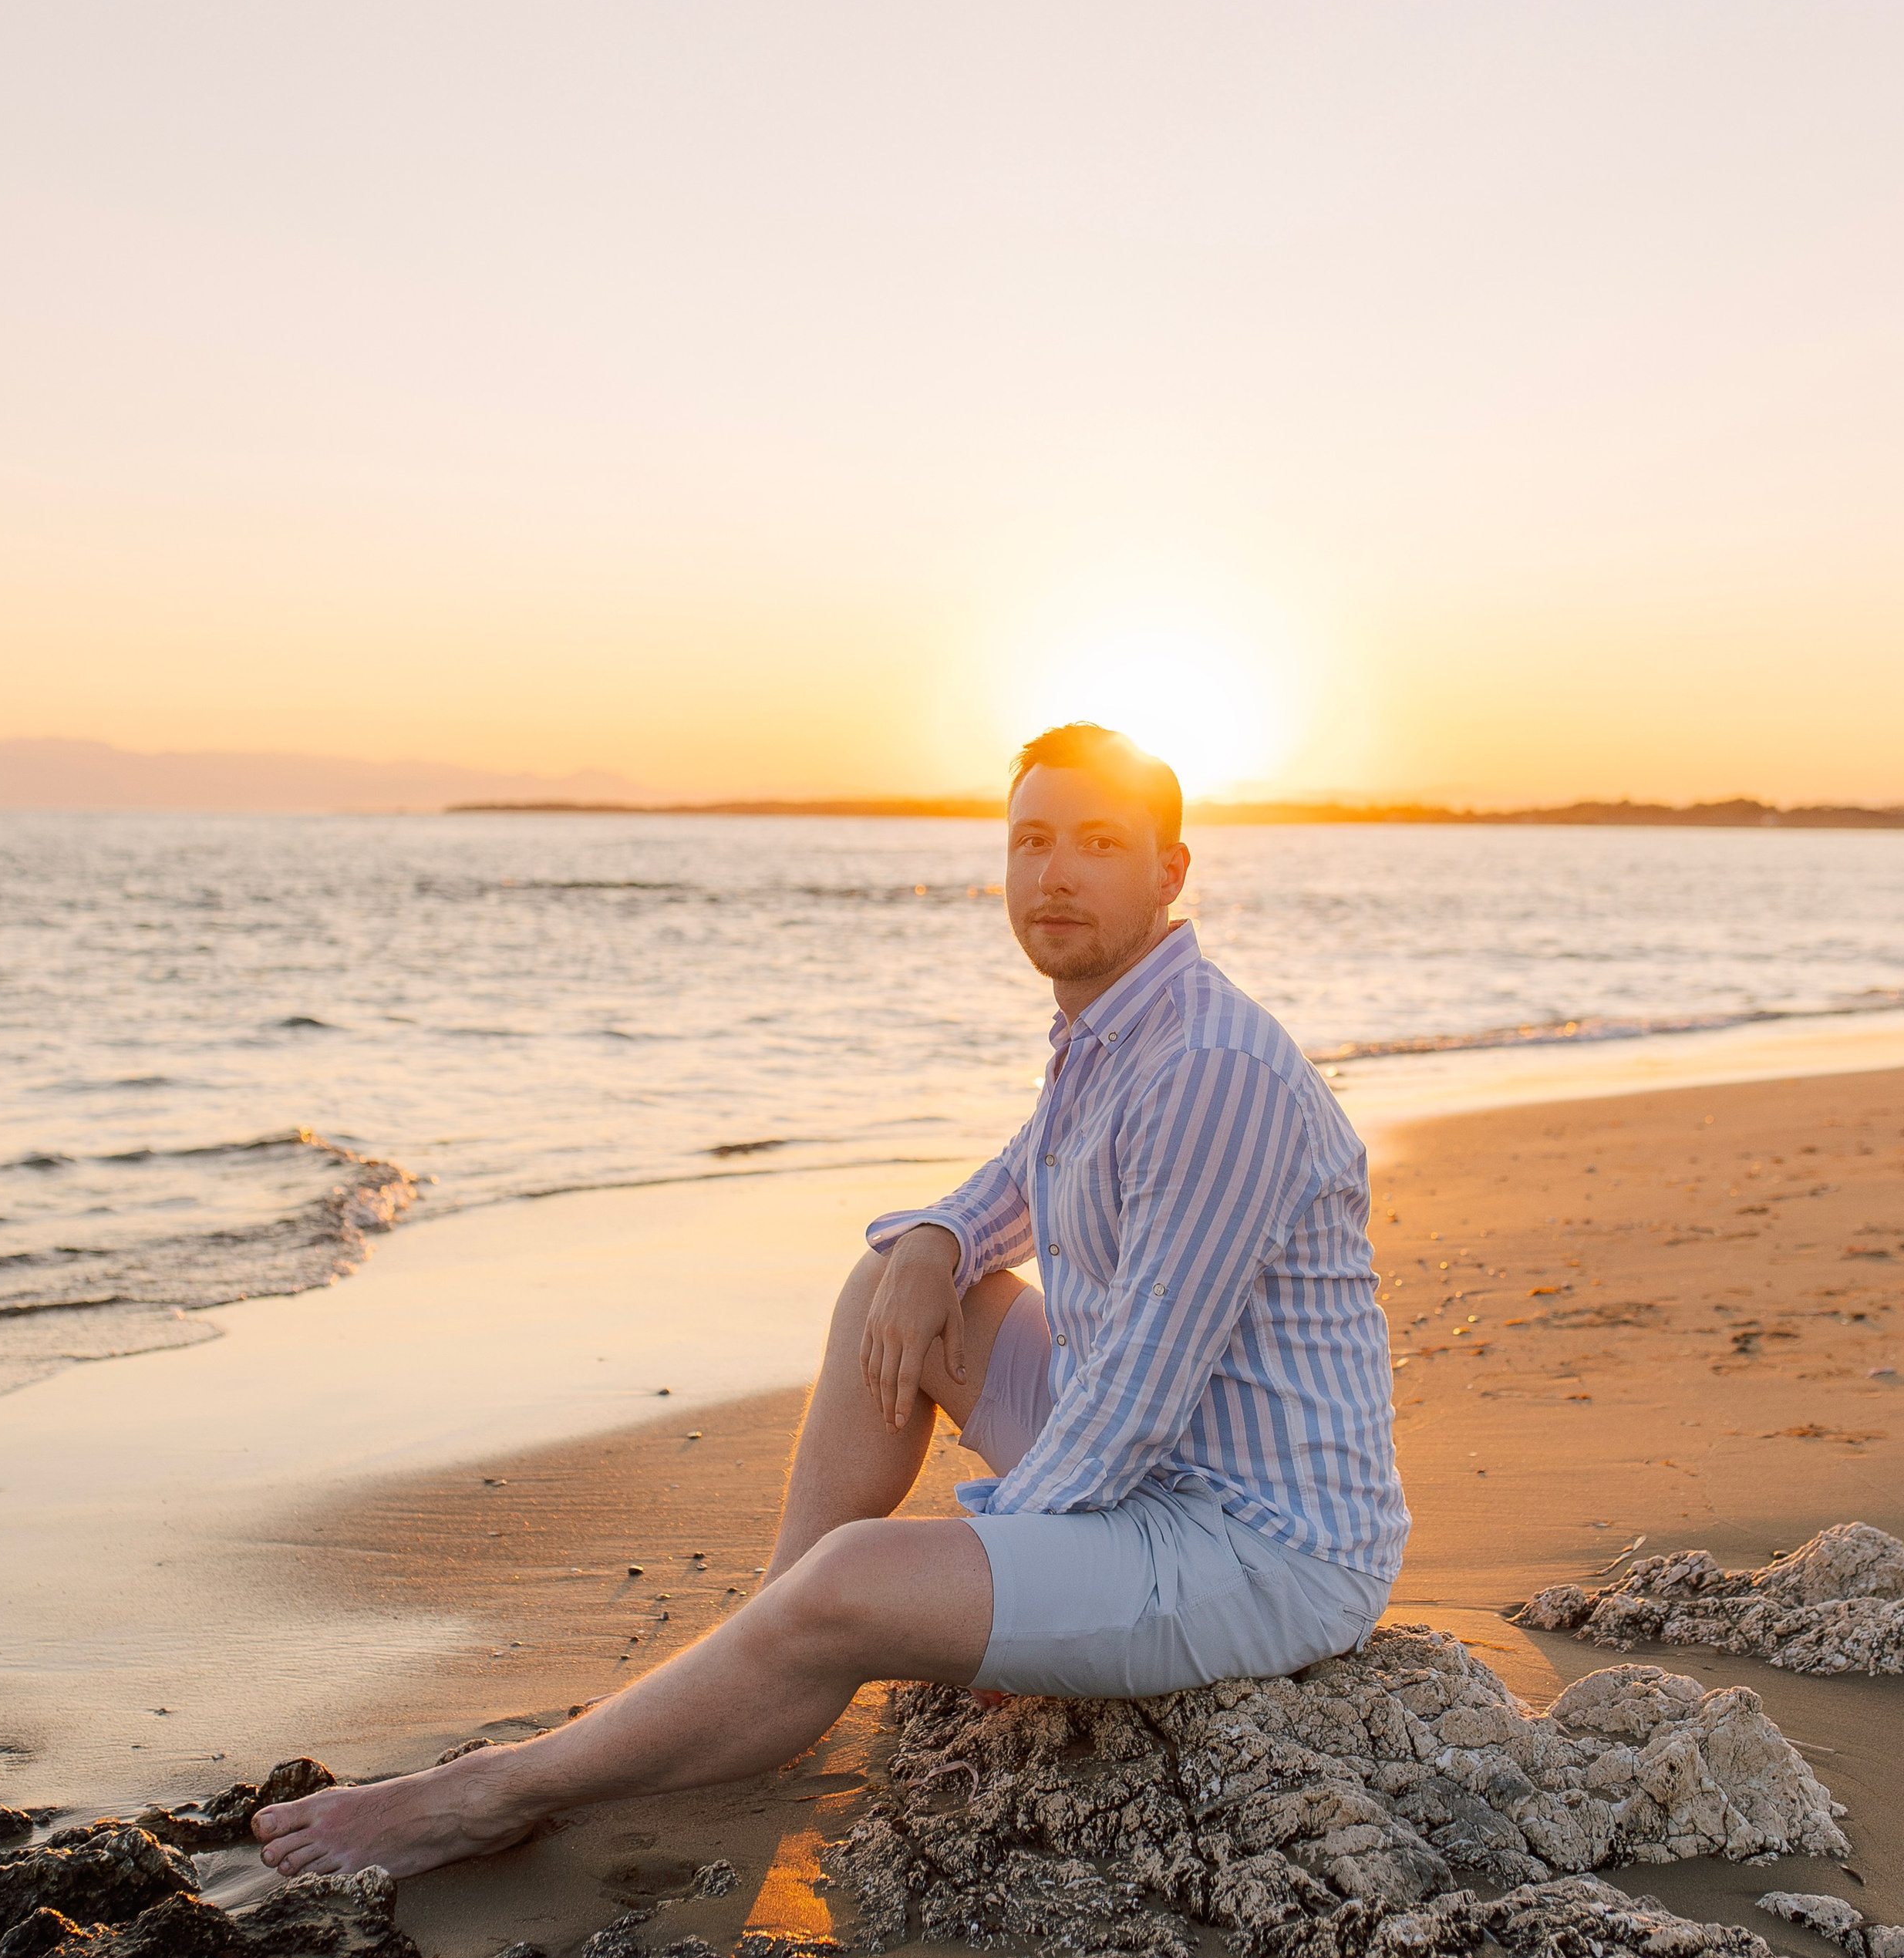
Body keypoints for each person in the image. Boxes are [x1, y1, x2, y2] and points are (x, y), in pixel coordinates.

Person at [254, 721, 1407, 1882]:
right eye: (1030, 841)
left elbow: (1136, 1401)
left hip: (1258, 1544)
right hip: (1165, 1462)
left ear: (1168, 874)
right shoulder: (1111, 1030)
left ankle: (490, 1794)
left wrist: (993, 1554)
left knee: (858, 1575)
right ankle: (770, 1654)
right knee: (887, 1289)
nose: (1052, 874)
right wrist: (931, 1242)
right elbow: (1013, 1181)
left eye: (1098, 845)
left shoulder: (1210, 1067)